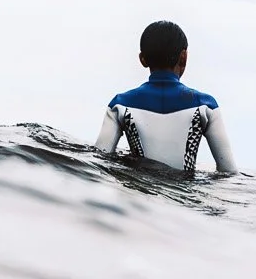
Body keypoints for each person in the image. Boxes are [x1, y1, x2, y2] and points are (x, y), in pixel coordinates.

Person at [95, 21, 237, 176]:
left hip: (138, 196)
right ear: (184, 57)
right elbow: (228, 171)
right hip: (185, 197)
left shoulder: (120, 105)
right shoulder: (206, 107)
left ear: (142, 59)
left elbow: (99, 161)